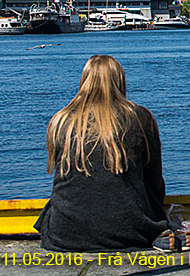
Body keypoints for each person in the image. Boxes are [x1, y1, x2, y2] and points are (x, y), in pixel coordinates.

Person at [35, 55, 168, 252]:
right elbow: (154, 180)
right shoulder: (140, 117)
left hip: (64, 233)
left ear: (84, 80)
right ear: (120, 81)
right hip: (131, 232)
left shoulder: (61, 121)